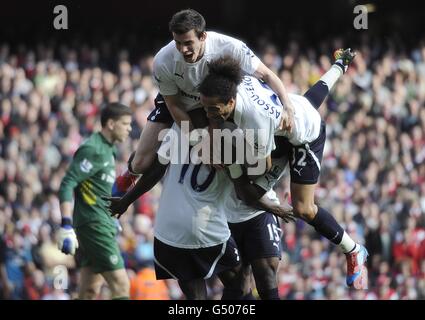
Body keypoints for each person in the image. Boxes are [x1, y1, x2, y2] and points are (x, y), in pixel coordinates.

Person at [199, 50, 369, 290]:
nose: (209, 115)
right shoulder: (230, 86)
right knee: (307, 103)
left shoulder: (254, 119)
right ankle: (341, 64)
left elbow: (263, 166)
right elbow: (311, 96)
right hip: (293, 108)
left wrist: (232, 164)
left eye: (213, 109)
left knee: (302, 208)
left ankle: (353, 250)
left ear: (231, 102)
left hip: (305, 137)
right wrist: (339, 65)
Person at [112, 8, 296, 196]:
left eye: (188, 43)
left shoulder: (229, 47)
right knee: (142, 163)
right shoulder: (163, 61)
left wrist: (287, 105)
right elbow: (173, 105)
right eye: (178, 43)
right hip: (179, 99)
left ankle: (271, 180)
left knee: (240, 155)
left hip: (213, 103)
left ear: (203, 37)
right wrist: (200, 142)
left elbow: (266, 74)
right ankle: (130, 173)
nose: (183, 49)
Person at [105, 112, 252, 300]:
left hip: (166, 232)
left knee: (195, 298)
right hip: (204, 227)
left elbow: (155, 171)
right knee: (241, 281)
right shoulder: (234, 137)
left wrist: (126, 200)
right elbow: (244, 191)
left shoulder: (179, 128)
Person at [57, 102, 132, 299]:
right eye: (125, 124)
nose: (129, 129)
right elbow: (67, 183)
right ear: (110, 124)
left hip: (100, 221)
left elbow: (103, 188)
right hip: (94, 224)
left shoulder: (110, 150)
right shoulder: (93, 149)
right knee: (121, 285)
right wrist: (65, 225)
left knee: (89, 290)